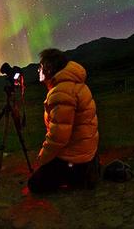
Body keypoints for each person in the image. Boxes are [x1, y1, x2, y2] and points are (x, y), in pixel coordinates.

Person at [27, 48, 99, 193]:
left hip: (76, 158)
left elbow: (58, 137)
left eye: (40, 67)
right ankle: (89, 170)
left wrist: (42, 159)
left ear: (49, 69)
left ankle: (78, 177)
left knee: (34, 185)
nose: (38, 70)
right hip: (87, 151)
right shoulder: (75, 84)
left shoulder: (61, 92)